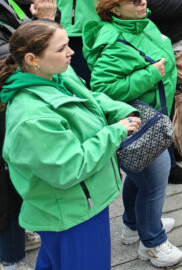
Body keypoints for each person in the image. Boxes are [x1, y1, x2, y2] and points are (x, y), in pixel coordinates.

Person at [0, 20, 140, 270]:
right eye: (61, 48)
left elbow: (89, 98)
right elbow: (69, 167)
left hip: (78, 207)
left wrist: (121, 112)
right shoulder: (33, 117)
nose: (71, 51)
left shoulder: (53, 76)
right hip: (72, 216)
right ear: (33, 59)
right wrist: (115, 131)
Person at [82, 0, 182, 267]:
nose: (143, 3)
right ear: (114, 10)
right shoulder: (113, 42)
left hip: (152, 116)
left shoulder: (140, 23)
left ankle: (132, 224)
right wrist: (150, 75)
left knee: (141, 180)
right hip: (140, 126)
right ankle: (152, 243)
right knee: (153, 185)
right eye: (134, 0)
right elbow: (102, 88)